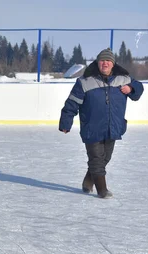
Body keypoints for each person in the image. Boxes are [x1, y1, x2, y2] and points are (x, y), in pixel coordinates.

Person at [59, 48, 143, 198]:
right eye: (102, 60)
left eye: (108, 61)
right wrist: (66, 122)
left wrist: (131, 88)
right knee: (97, 159)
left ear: (113, 63)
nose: (105, 63)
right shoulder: (84, 82)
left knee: (105, 158)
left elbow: (139, 89)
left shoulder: (123, 79)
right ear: (97, 63)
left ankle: (88, 180)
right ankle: (102, 190)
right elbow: (71, 103)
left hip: (113, 127)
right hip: (92, 128)